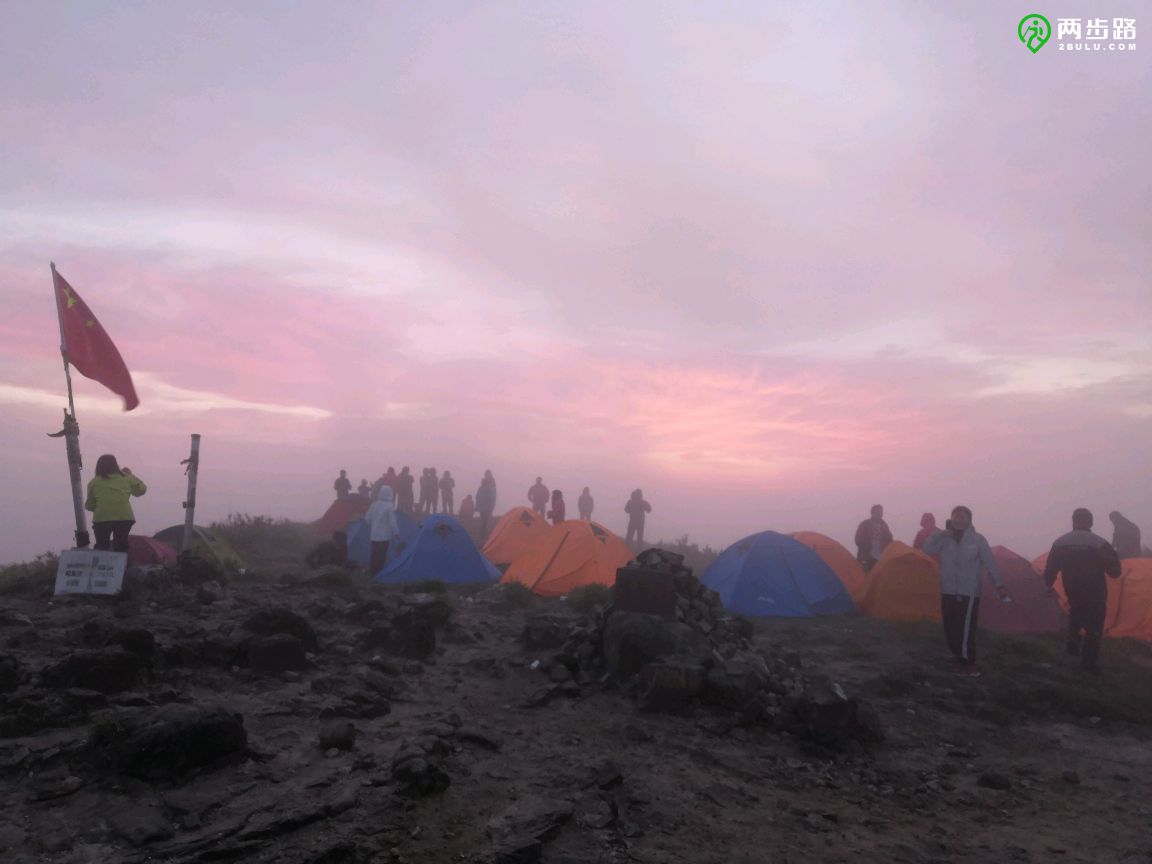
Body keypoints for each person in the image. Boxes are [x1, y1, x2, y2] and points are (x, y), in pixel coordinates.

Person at [921, 506, 1007, 678]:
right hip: (948, 590)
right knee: (950, 628)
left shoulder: (977, 540)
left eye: (962, 517)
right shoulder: (945, 539)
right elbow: (927, 549)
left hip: (969, 592)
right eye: (956, 516)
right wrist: (940, 534)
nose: (958, 520)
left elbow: (989, 563)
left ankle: (969, 664)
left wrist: (999, 585)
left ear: (969, 520)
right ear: (951, 519)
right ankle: (958, 655)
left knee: (965, 629)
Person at [1043, 509, 1123, 674]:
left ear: (1073, 521)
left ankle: (1072, 638)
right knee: (1095, 624)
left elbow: (1050, 569)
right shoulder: (1099, 543)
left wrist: (1046, 586)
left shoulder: (1060, 542)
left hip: (1072, 588)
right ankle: (1088, 663)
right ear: (1091, 523)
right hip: (1095, 590)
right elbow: (1115, 572)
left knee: (1076, 610)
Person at [85, 455, 147, 553]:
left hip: (102, 518)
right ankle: (123, 562)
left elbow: (89, 505)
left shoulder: (93, 482)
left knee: (102, 548)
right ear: (116, 465)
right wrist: (130, 475)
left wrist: (100, 507)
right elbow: (141, 490)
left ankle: (103, 562)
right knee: (121, 547)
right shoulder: (126, 477)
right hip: (124, 517)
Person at [365, 485, 399, 574]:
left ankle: (372, 572)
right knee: (382, 555)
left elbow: (367, 519)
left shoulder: (373, 505)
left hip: (374, 536)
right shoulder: (389, 506)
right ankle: (379, 573)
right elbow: (392, 521)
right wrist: (396, 532)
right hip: (385, 537)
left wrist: (374, 525)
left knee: (374, 554)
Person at [854, 505, 893, 573]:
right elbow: (858, 540)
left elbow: (890, 540)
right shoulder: (865, 524)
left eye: (881, 513)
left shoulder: (884, 526)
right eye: (877, 513)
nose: (880, 515)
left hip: (881, 559)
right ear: (872, 513)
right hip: (867, 558)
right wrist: (867, 549)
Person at [476, 470, 497, 534]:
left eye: (488, 474)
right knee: (483, 516)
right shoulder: (483, 486)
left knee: (486, 516)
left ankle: (484, 529)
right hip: (484, 504)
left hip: (488, 503)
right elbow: (479, 495)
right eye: (486, 474)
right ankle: (483, 529)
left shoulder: (491, 483)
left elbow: (492, 493)